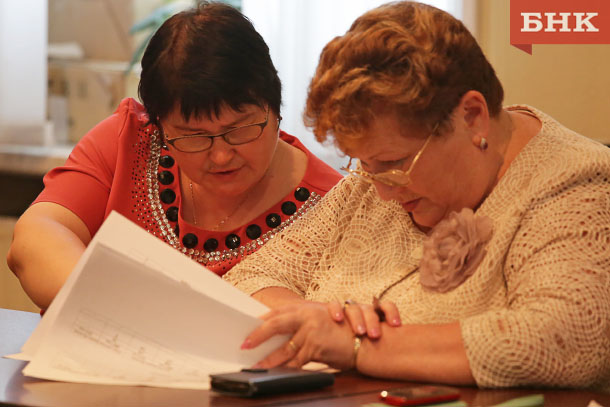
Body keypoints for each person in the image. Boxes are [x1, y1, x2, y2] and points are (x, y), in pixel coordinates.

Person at [223, 1, 610, 388]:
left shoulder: (576, 182)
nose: (381, 192)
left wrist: (358, 344)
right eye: (364, 164)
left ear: (472, 116)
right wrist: (314, 321)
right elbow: (254, 275)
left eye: (395, 162)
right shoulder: (373, 179)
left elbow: (562, 339)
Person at [7, 2, 341, 310]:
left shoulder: (335, 206)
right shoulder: (129, 141)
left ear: (275, 107)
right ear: (160, 125)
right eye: (194, 136)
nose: (221, 155)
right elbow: (36, 237)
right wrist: (114, 312)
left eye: (240, 129)